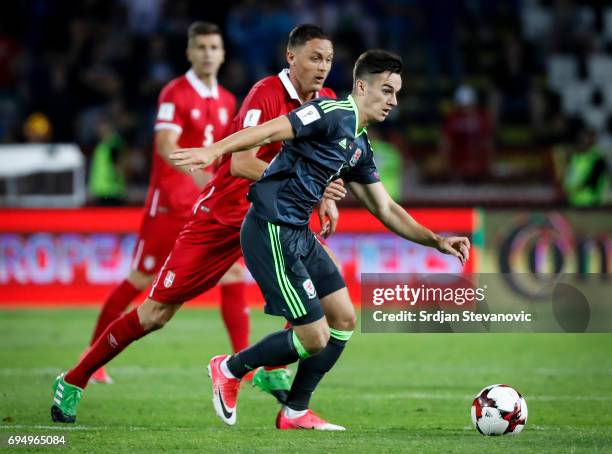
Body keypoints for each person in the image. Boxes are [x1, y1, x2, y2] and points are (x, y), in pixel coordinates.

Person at [50, 24, 344, 423]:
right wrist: (306, 186)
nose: (323, 67)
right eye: (314, 58)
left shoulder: (325, 101)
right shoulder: (266, 94)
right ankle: (75, 378)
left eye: (327, 59)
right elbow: (240, 164)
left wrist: (325, 194)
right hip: (221, 218)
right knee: (155, 313)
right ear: (290, 58)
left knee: (329, 301)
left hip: (274, 220)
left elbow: (320, 163)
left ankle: (283, 391)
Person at [170, 50, 471, 430]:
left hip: (298, 232)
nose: (394, 101)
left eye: (397, 93)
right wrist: (215, 149)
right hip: (271, 227)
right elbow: (272, 128)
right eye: (388, 90)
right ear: (362, 86)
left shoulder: (359, 145)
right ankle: (229, 368)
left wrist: (436, 241)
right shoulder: (331, 114)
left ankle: (295, 411)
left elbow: (386, 208)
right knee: (314, 337)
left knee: (343, 319)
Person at [78, 21, 246, 384]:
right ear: (189, 52)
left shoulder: (229, 100)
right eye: (200, 47)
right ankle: (92, 359)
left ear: (222, 53)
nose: (207, 54)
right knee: (140, 277)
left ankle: (242, 368)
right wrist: (200, 175)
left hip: (206, 208)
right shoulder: (174, 92)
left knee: (234, 273)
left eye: (213, 47)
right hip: (169, 204)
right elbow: (165, 145)